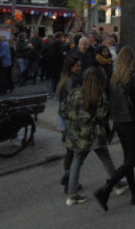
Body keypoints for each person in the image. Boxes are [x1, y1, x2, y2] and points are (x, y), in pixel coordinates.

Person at [93, 46, 135, 211]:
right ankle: (106, 188)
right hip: (131, 120)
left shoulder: (114, 76)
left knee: (127, 159)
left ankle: (134, 191)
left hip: (118, 121)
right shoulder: (134, 75)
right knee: (132, 160)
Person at [64, 66, 119, 205]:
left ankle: (72, 193)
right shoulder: (99, 97)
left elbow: (63, 110)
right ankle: (117, 183)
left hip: (76, 134)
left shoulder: (75, 93)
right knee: (105, 158)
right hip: (93, 134)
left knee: (77, 160)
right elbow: (102, 115)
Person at [57, 55, 84, 191]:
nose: (80, 68)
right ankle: (69, 182)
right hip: (71, 118)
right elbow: (74, 101)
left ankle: (68, 179)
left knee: (71, 151)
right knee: (75, 152)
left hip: (65, 117)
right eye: (77, 66)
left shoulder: (66, 79)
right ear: (71, 67)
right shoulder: (71, 81)